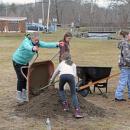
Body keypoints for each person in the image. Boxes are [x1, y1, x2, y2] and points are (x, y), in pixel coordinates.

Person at [12, 32, 59, 103]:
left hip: (25, 62)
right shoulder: (26, 42)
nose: (37, 41)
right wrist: (33, 48)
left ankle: (24, 96)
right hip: (17, 61)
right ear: (31, 38)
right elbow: (27, 46)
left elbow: (46, 44)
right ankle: (19, 97)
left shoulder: (37, 43)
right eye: (35, 40)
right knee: (21, 78)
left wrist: (57, 44)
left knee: (25, 78)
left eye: (38, 40)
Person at [49, 53, 83, 118]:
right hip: (71, 77)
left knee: (61, 89)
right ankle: (77, 112)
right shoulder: (73, 64)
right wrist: (75, 85)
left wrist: (51, 81)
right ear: (70, 58)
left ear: (62, 58)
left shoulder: (61, 64)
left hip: (62, 76)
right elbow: (74, 75)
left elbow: (55, 73)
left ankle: (65, 105)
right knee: (73, 94)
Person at [115, 31, 130, 101]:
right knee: (123, 81)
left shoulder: (126, 43)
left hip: (126, 65)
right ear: (126, 36)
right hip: (126, 65)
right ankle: (118, 97)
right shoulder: (125, 44)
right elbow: (126, 57)